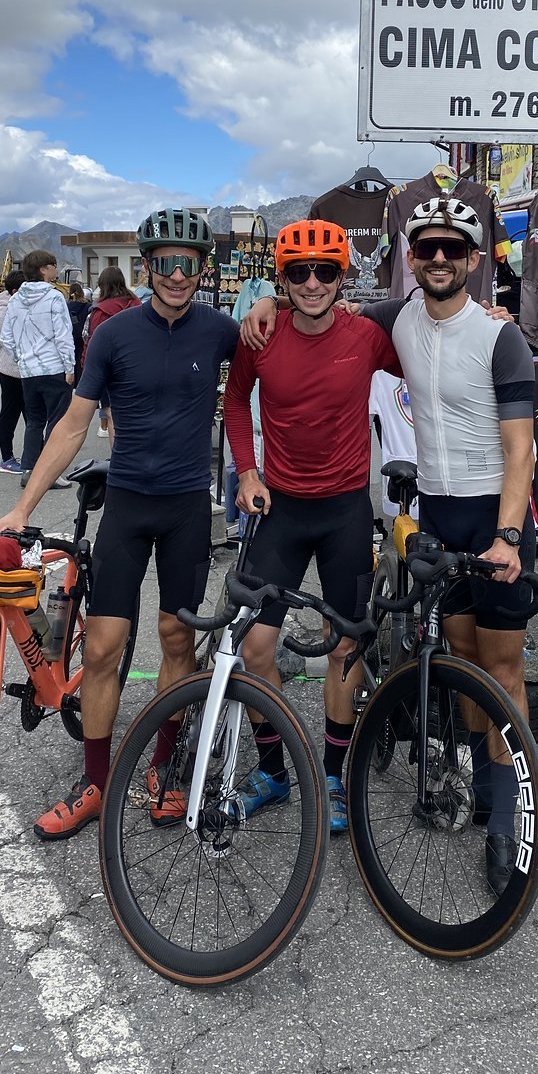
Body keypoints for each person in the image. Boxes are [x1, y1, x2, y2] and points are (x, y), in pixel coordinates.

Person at [242, 196, 535, 894]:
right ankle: (480, 786)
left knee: (505, 669)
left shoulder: (501, 336)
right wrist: (265, 308)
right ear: (411, 260)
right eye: (426, 248)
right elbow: (318, 317)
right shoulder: (394, 321)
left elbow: (522, 449)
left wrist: (510, 534)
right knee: (461, 655)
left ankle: (507, 817)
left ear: (472, 259)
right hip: (436, 511)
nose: (438, 259)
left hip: (496, 514)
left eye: (452, 249)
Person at [0, 207, 237, 841]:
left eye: (187, 264)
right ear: (147, 266)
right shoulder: (113, 333)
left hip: (187, 507)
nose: (176, 274)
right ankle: (97, 782)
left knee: (176, 642)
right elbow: (72, 424)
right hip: (127, 504)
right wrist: (23, 507)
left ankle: (161, 770)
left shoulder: (221, 330)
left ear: (202, 268)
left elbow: (288, 348)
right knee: (101, 649)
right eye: (164, 263)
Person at [224, 221, 400, 833]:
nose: (313, 283)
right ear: (283, 277)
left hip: (346, 509)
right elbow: (235, 402)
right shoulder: (261, 333)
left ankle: (331, 773)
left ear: (342, 273)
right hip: (284, 509)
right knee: (256, 646)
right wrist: (247, 472)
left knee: (344, 646)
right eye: (298, 272)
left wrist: (484, 313)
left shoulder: (368, 336)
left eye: (325, 270)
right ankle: (274, 769)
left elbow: (432, 341)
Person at [0, 250, 75, 492]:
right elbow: (63, 335)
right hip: (53, 368)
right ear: (43, 269)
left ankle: (29, 470)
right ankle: (50, 473)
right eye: (53, 265)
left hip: (28, 371)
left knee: (34, 421)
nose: (56, 269)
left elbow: (6, 337)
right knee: (57, 423)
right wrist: (70, 366)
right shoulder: (54, 298)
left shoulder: (15, 299)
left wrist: (21, 357)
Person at [85, 266, 139, 441]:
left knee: (112, 414)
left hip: (112, 370)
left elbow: (94, 344)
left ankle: (118, 457)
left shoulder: (102, 310)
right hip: (138, 366)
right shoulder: (136, 303)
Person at [0, 270, 27, 474]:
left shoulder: (20, 305)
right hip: (9, 369)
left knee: (31, 412)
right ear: (15, 290)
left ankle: (32, 455)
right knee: (11, 411)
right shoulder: (3, 309)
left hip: (24, 369)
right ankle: (6, 458)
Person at [66, 280, 91, 376]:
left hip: (70, 337)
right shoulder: (88, 307)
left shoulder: (66, 306)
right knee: (81, 358)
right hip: (82, 338)